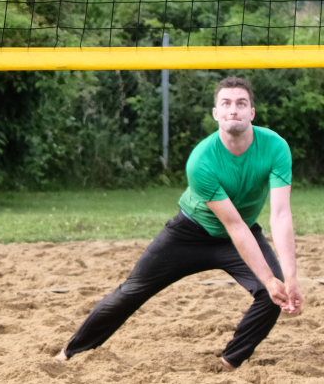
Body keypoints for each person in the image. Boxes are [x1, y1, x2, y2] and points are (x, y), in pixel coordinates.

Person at [55, 76, 303, 370]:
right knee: (131, 292)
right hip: (190, 233)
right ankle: (70, 353)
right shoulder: (201, 160)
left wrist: (289, 279)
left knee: (271, 295)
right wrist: (269, 278)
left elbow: (280, 214)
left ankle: (229, 362)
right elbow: (233, 224)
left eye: (241, 103)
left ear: (252, 112)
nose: (233, 109)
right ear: (216, 113)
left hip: (243, 233)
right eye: (226, 103)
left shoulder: (275, 147)